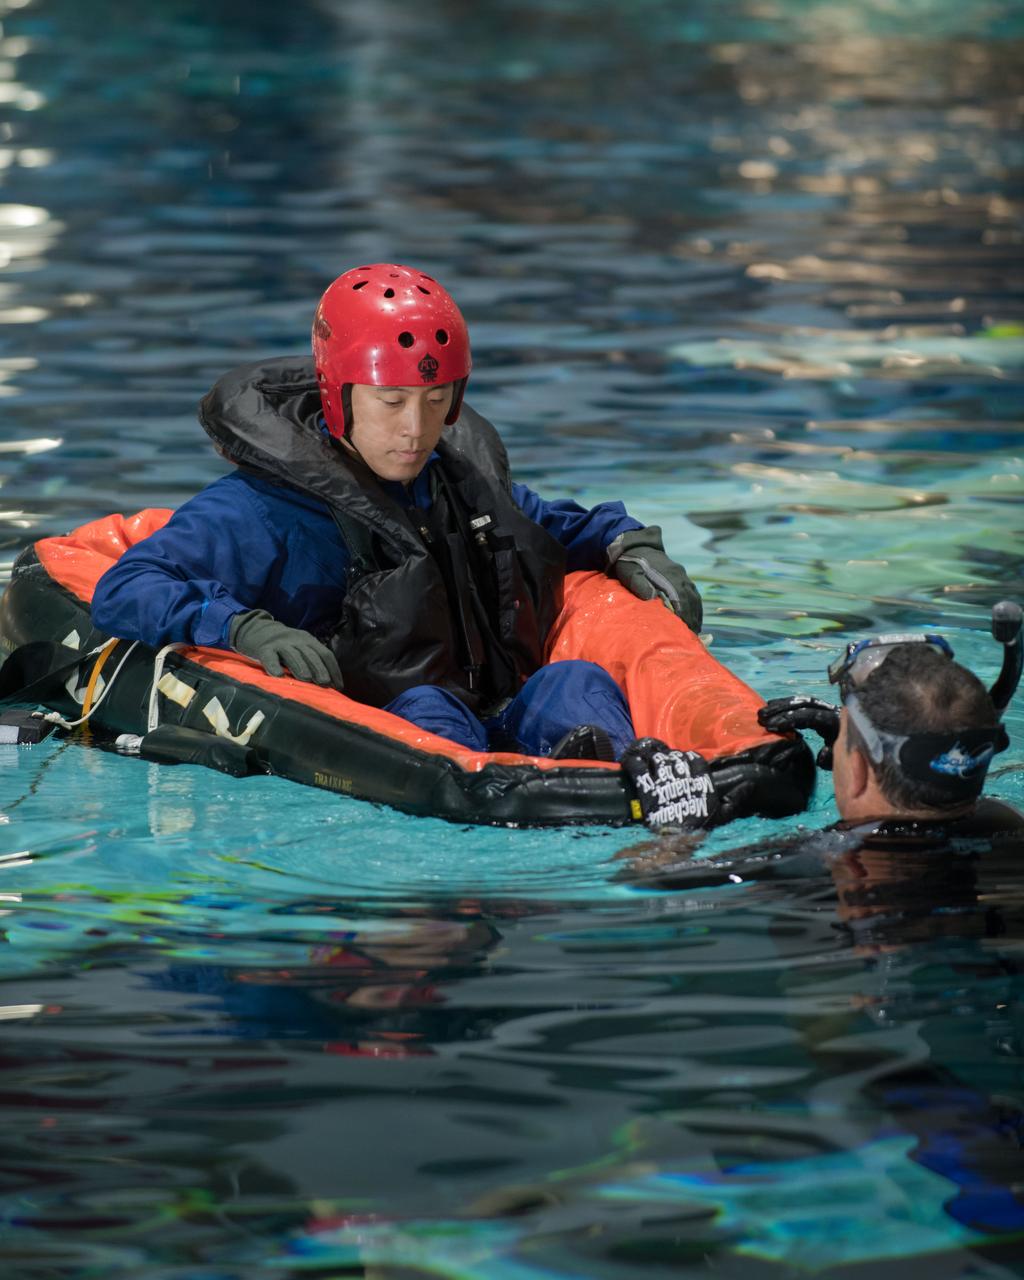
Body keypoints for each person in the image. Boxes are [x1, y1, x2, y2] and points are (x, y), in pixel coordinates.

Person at [90, 263, 703, 760]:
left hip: (496, 709)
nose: (415, 430)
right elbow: (126, 587)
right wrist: (240, 625)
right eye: (391, 402)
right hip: (385, 734)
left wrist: (631, 544)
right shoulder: (257, 508)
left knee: (576, 683)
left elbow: (558, 524)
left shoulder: (460, 485)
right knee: (429, 711)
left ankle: (628, 788)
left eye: (436, 400)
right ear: (337, 395)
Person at [622, 621, 1022, 883]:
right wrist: (843, 741)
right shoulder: (1007, 825)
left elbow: (644, 885)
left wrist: (675, 831)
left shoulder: (820, 861)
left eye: (846, 741)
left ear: (860, 770)